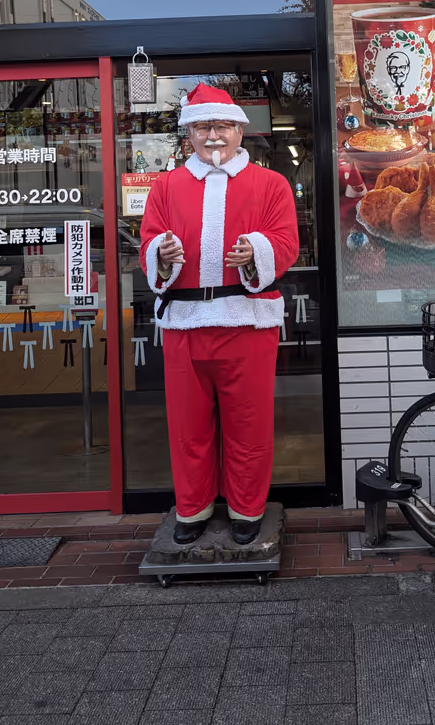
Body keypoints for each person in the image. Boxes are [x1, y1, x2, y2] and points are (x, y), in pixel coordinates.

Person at [139, 83, 299, 545]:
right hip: (185, 323)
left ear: (239, 132)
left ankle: (247, 509)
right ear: (189, 132)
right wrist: (161, 254)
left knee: (248, 423)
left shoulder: (271, 184)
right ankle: (193, 508)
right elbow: (149, 240)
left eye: (224, 126)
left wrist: (258, 250)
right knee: (188, 425)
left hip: (247, 319)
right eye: (205, 126)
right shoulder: (165, 186)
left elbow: (286, 240)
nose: (214, 135)